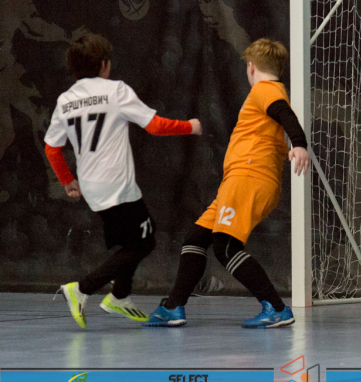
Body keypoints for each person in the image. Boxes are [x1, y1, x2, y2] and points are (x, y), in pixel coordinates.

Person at [144, 38, 310, 329]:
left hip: (249, 177)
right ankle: (173, 307)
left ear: (251, 67)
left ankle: (276, 308)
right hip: (237, 181)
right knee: (196, 239)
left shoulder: (265, 89)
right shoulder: (270, 91)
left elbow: (284, 112)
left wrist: (299, 144)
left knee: (226, 246)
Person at [45, 33, 202, 328]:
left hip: (91, 186)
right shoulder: (115, 91)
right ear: (104, 64)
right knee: (144, 242)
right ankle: (82, 289)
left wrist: (67, 180)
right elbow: (155, 126)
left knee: (134, 240)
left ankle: (120, 295)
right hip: (117, 184)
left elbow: (52, 148)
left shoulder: (65, 100)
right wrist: (190, 126)